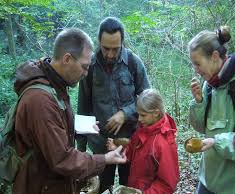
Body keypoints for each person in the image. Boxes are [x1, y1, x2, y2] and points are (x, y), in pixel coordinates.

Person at [12, 28, 127, 194]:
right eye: (85, 67)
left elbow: (46, 133)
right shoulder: (40, 100)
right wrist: (105, 159)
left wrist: (76, 127)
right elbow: (62, 159)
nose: (86, 73)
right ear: (67, 59)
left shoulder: (54, 85)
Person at [77, 17, 150, 192]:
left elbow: (148, 100)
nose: (110, 54)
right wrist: (81, 150)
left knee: (129, 187)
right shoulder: (91, 67)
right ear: (98, 42)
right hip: (100, 145)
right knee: (100, 188)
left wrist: (125, 113)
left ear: (122, 42)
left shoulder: (133, 63)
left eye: (115, 49)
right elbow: (83, 108)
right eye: (105, 48)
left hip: (131, 143)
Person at [188, 26, 235, 194]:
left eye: (198, 64)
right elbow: (200, 127)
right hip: (207, 181)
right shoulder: (210, 85)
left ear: (214, 56)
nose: (196, 70)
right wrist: (198, 103)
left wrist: (216, 141)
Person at [106, 89, 180, 193]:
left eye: (143, 115)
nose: (139, 119)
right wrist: (120, 150)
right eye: (138, 114)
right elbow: (134, 150)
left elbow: (167, 184)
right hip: (135, 186)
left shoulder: (163, 143)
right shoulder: (144, 128)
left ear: (156, 113)